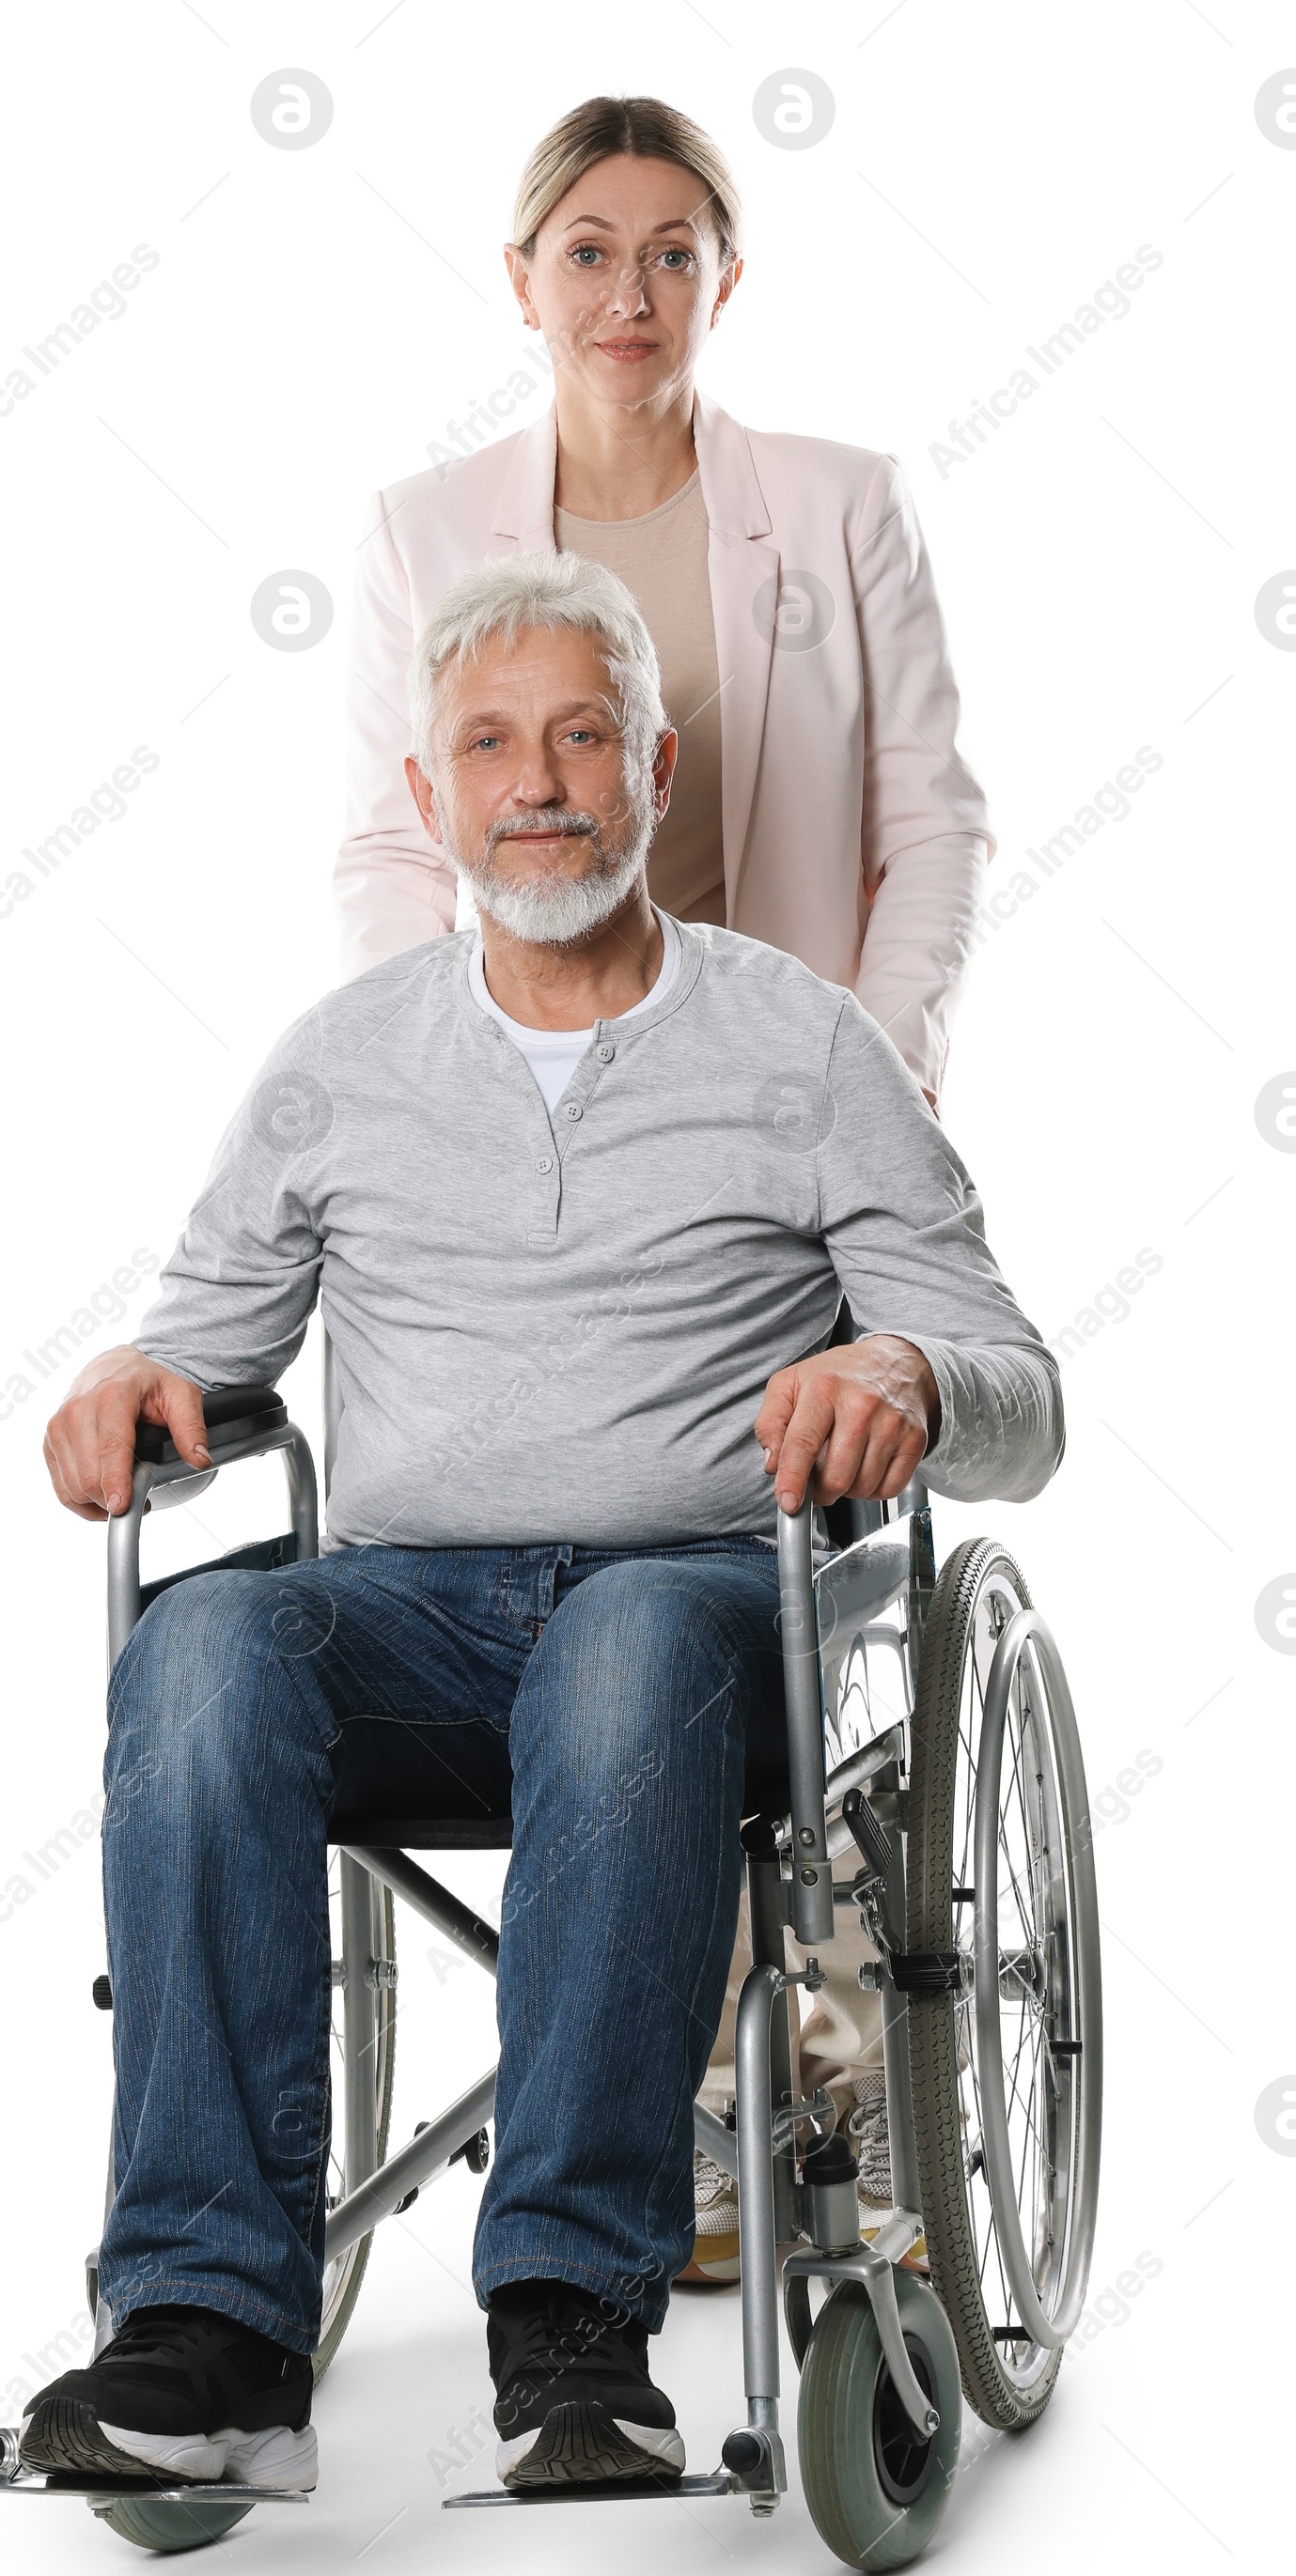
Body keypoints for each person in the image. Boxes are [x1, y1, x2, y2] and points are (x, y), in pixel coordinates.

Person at [23, 557, 1057, 2497]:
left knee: (624, 1647)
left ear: (652, 770)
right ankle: (208, 2327)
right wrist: (128, 1384)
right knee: (206, 1641)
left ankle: (572, 2309)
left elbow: (1018, 1387)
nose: (537, 782)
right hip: (410, 1620)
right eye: (487, 745)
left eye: (581, 735)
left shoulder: (801, 1043)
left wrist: (907, 1373)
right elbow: (200, 1352)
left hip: (712, 1607)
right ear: (428, 800)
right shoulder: (337, 1063)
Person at [335, 95, 994, 2275]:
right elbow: (376, 833)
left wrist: (849, 1077)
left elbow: (930, 825)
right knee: (577, 1546)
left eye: (672, 252)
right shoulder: (427, 524)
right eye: (588, 251)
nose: (630, 293)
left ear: (724, 278)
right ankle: (663, 2115)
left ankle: (762, 2094)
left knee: (753, 1569)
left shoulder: (831, 505)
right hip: (521, 1128)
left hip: (778, 1127)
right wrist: (442, 1077)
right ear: (519, 279)